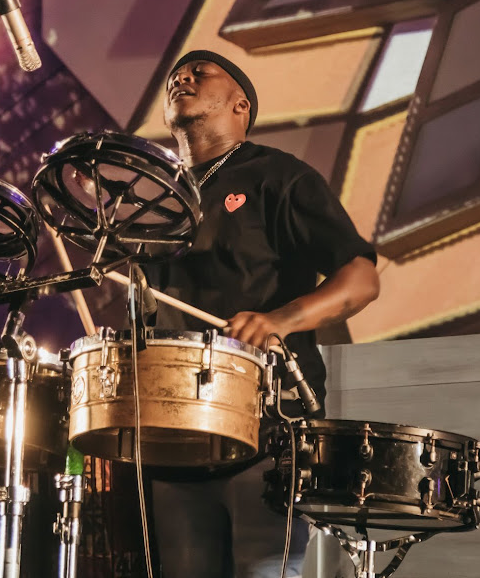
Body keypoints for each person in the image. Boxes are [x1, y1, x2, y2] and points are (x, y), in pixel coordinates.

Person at [144, 49, 379, 578]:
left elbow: (362, 277)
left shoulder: (278, 176)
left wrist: (280, 320)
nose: (181, 76)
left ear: (239, 105)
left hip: (270, 430)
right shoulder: (155, 205)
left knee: (265, 570)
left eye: (200, 72)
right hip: (178, 438)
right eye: (174, 74)